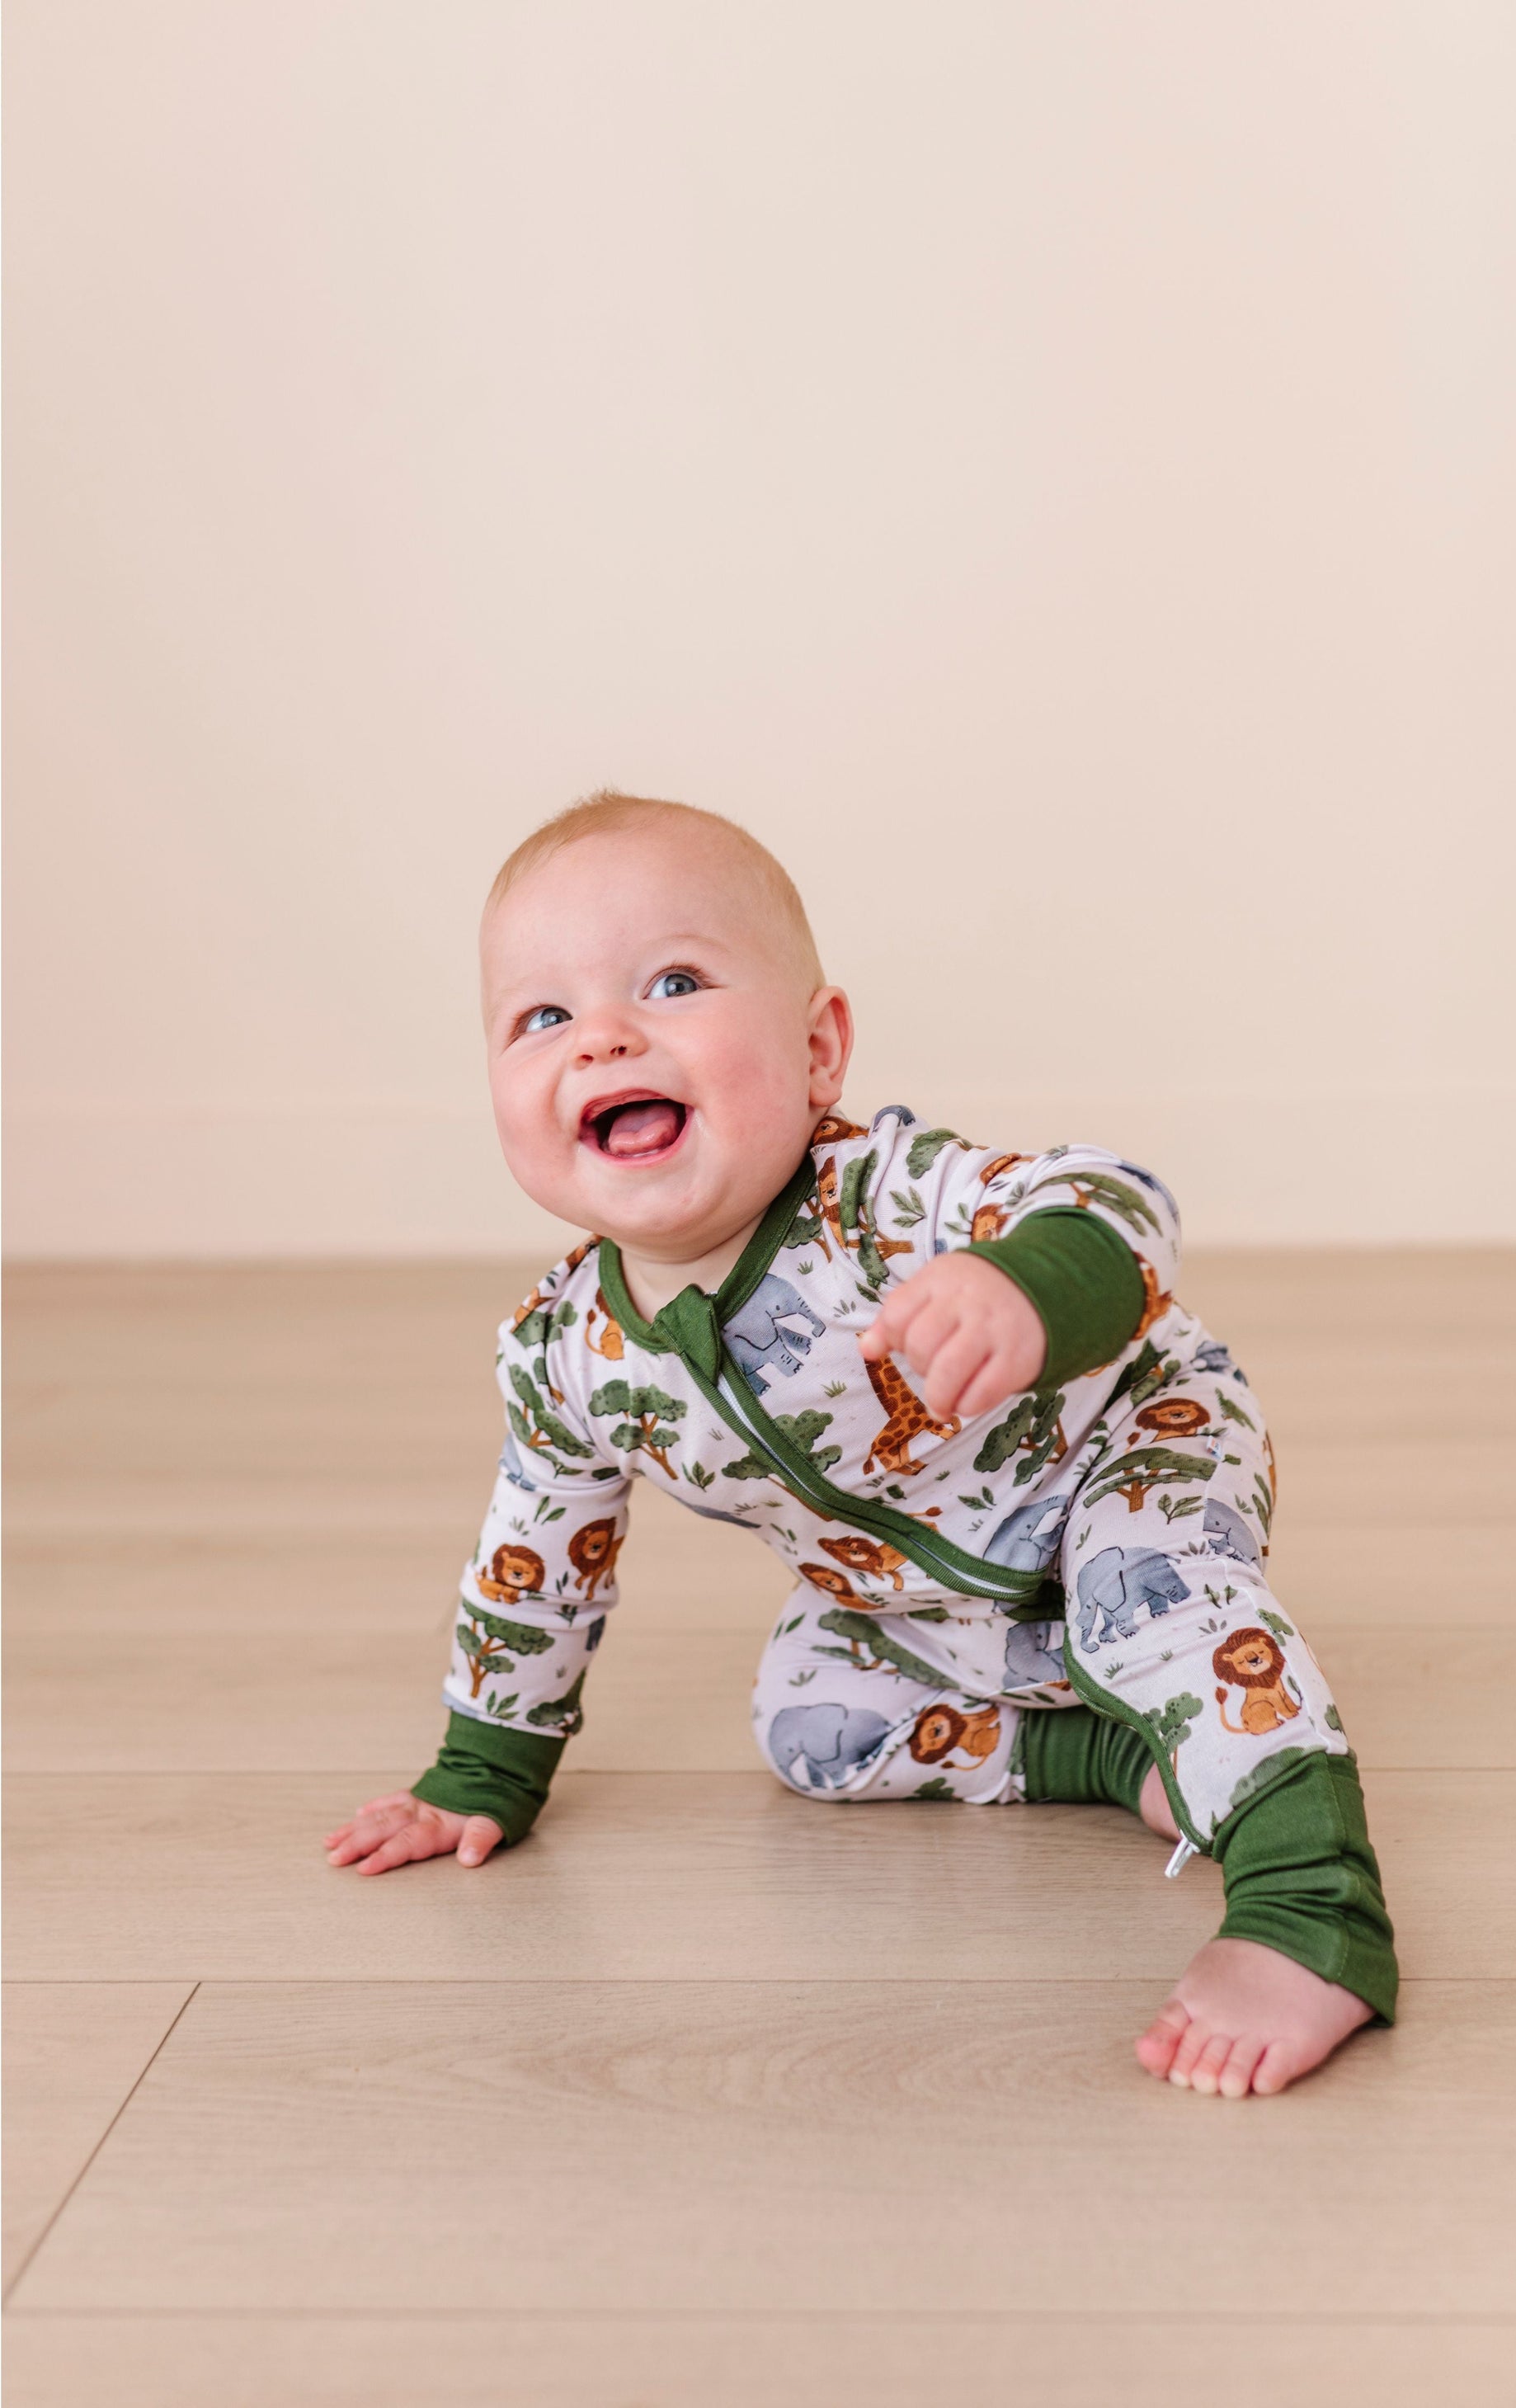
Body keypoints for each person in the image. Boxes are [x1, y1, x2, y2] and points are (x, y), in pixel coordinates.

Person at [324, 791, 1395, 2099]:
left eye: (673, 983)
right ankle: (1122, 1751)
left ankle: (1308, 1910)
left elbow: (1112, 1197)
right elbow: (534, 1566)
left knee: (1146, 1595)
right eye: (541, 1016)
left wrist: (1023, 1287)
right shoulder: (568, 1357)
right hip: (916, 1594)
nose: (602, 1035)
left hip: (1127, 1446)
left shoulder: (879, 1196)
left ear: (817, 1048)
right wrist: (483, 1770)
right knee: (805, 1722)